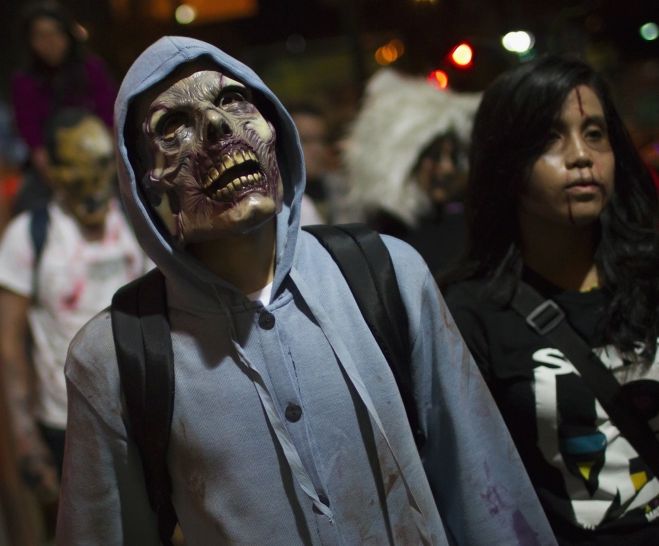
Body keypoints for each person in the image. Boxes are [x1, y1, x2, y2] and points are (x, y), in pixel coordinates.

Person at [55, 37, 557, 545]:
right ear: (147, 181)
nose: (216, 126)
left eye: (232, 101)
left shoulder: (390, 275)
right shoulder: (115, 360)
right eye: (174, 126)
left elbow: (485, 486)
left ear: (273, 127)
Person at [443, 57, 659, 545]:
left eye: (594, 134)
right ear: (506, 161)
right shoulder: (469, 314)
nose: (580, 156)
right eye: (551, 137)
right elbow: (477, 488)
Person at [0, 109, 148, 509]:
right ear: (53, 173)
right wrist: (27, 444)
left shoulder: (137, 223)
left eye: (99, 167)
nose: (92, 186)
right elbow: (8, 348)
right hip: (68, 427)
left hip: (146, 412)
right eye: (77, 172)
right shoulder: (28, 236)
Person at [344, 68, 479, 275]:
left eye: (453, 156)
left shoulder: (466, 226)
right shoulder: (378, 244)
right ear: (399, 160)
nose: (448, 168)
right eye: (433, 156)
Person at [11, 0, 118, 213]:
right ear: (30, 41)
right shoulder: (23, 82)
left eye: (56, 33)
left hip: (100, 160)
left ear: (68, 34)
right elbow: (31, 136)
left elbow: (110, 117)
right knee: (26, 207)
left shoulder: (92, 68)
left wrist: (108, 170)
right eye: (41, 35)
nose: (50, 42)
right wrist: (59, 182)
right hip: (52, 169)